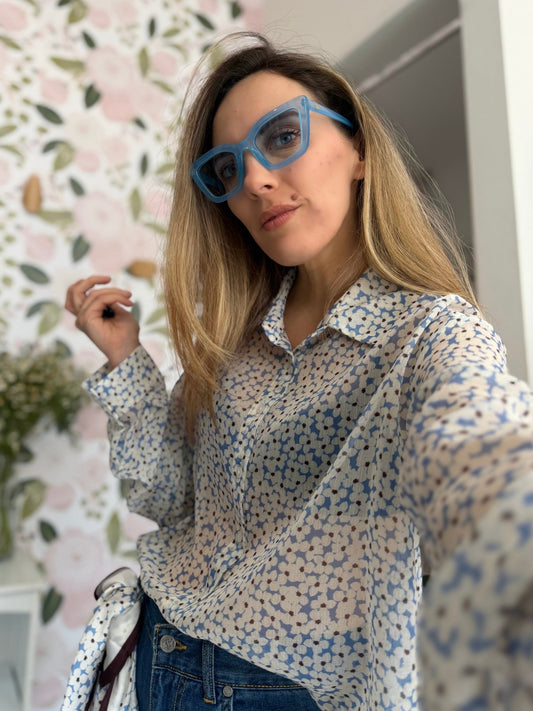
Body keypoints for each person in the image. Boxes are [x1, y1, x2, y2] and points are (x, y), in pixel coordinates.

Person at [65, 32, 533, 711]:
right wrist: (124, 360)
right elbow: (169, 498)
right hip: (159, 657)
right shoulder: (235, 342)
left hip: (293, 694)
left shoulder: (430, 332)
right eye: (227, 169)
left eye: (282, 136)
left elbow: (480, 443)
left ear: (359, 151)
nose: (255, 179)